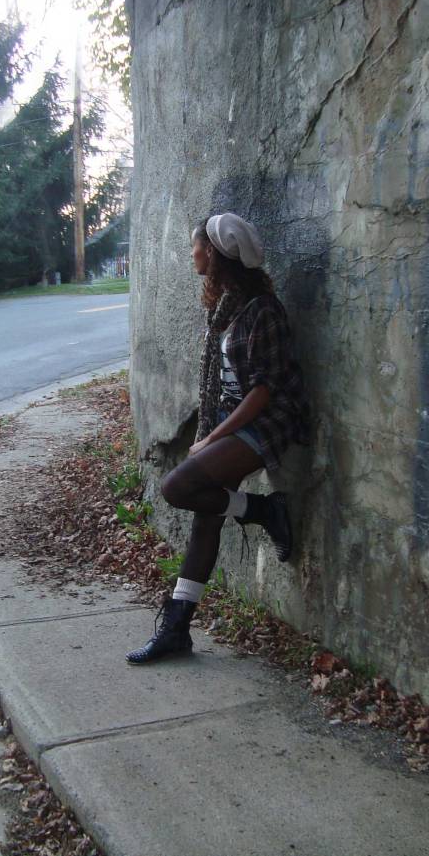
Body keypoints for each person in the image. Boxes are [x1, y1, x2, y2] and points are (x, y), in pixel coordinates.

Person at [126, 212, 311, 664]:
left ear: (214, 253)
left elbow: (264, 390)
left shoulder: (263, 310)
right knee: (205, 517)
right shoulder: (226, 305)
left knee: (178, 487)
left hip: (269, 419)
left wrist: (212, 438)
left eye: (196, 247)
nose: (192, 254)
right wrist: (213, 427)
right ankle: (177, 629)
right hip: (233, 418)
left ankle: (267, 508)